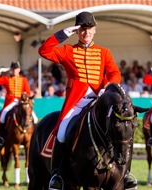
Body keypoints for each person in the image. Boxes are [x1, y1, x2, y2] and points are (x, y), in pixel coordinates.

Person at [39, 11, 136, 190]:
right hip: (77, 101)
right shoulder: (68, 50)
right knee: (61, 132)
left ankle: (126, 174)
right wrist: (62, 34)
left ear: (95, 30)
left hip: (100, 101)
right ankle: (57, 175)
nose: (86, 33)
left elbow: (115, 73)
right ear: (77, 31)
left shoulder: (104, 52)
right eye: (82, 30)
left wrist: (106, 89)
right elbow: (44, 51)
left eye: (89, 29)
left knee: (123, 129)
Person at [0, 61, 37, 145]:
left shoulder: (23, 79)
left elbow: (27, 91)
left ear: (19, 70)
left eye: (16, 69)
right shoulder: (7, 78)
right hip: (10, 102)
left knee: (35, 117)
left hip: (21, 102)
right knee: (3, 116)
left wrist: (25, 96)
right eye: (13, 69)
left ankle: (35, 136)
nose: (14, 71)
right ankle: (1, 136)